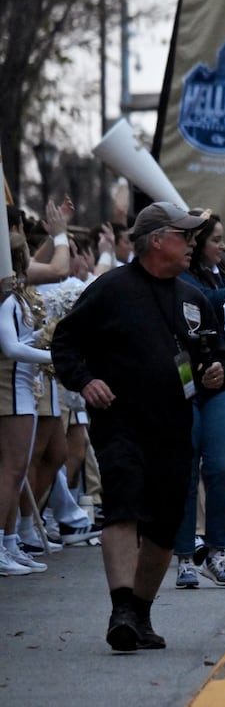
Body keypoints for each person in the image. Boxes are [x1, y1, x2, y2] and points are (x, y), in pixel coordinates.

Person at [51, 202, 225, 651]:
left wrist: (212, 373)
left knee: (166, 524)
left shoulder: (193, 299)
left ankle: (140, 615)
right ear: (155, 240)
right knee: (124, 502)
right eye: (183, 236)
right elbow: (66, 341)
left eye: (194, 237)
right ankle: (122, 609)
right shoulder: (111, 289)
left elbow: (210, 357)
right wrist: (86, 380)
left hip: (173, 423)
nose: (192, 244)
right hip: (120, 421)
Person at [173, 212, 225, 590]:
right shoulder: (180, 275)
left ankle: (218, 551)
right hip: (185, 382)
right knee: (186, 467)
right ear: (197, 242)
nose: (221, 245)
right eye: (214, 239)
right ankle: (185, 556)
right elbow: (201, 304)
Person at [1, 233, 52, 576]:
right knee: (11, 469)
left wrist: (45, 336)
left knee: (16, 471)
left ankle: (9, 542)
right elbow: (10, 348)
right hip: (11, 389)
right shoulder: (7, 300)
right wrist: (53, 354)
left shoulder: (15, 299)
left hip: (21, 387)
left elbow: (19, 341)